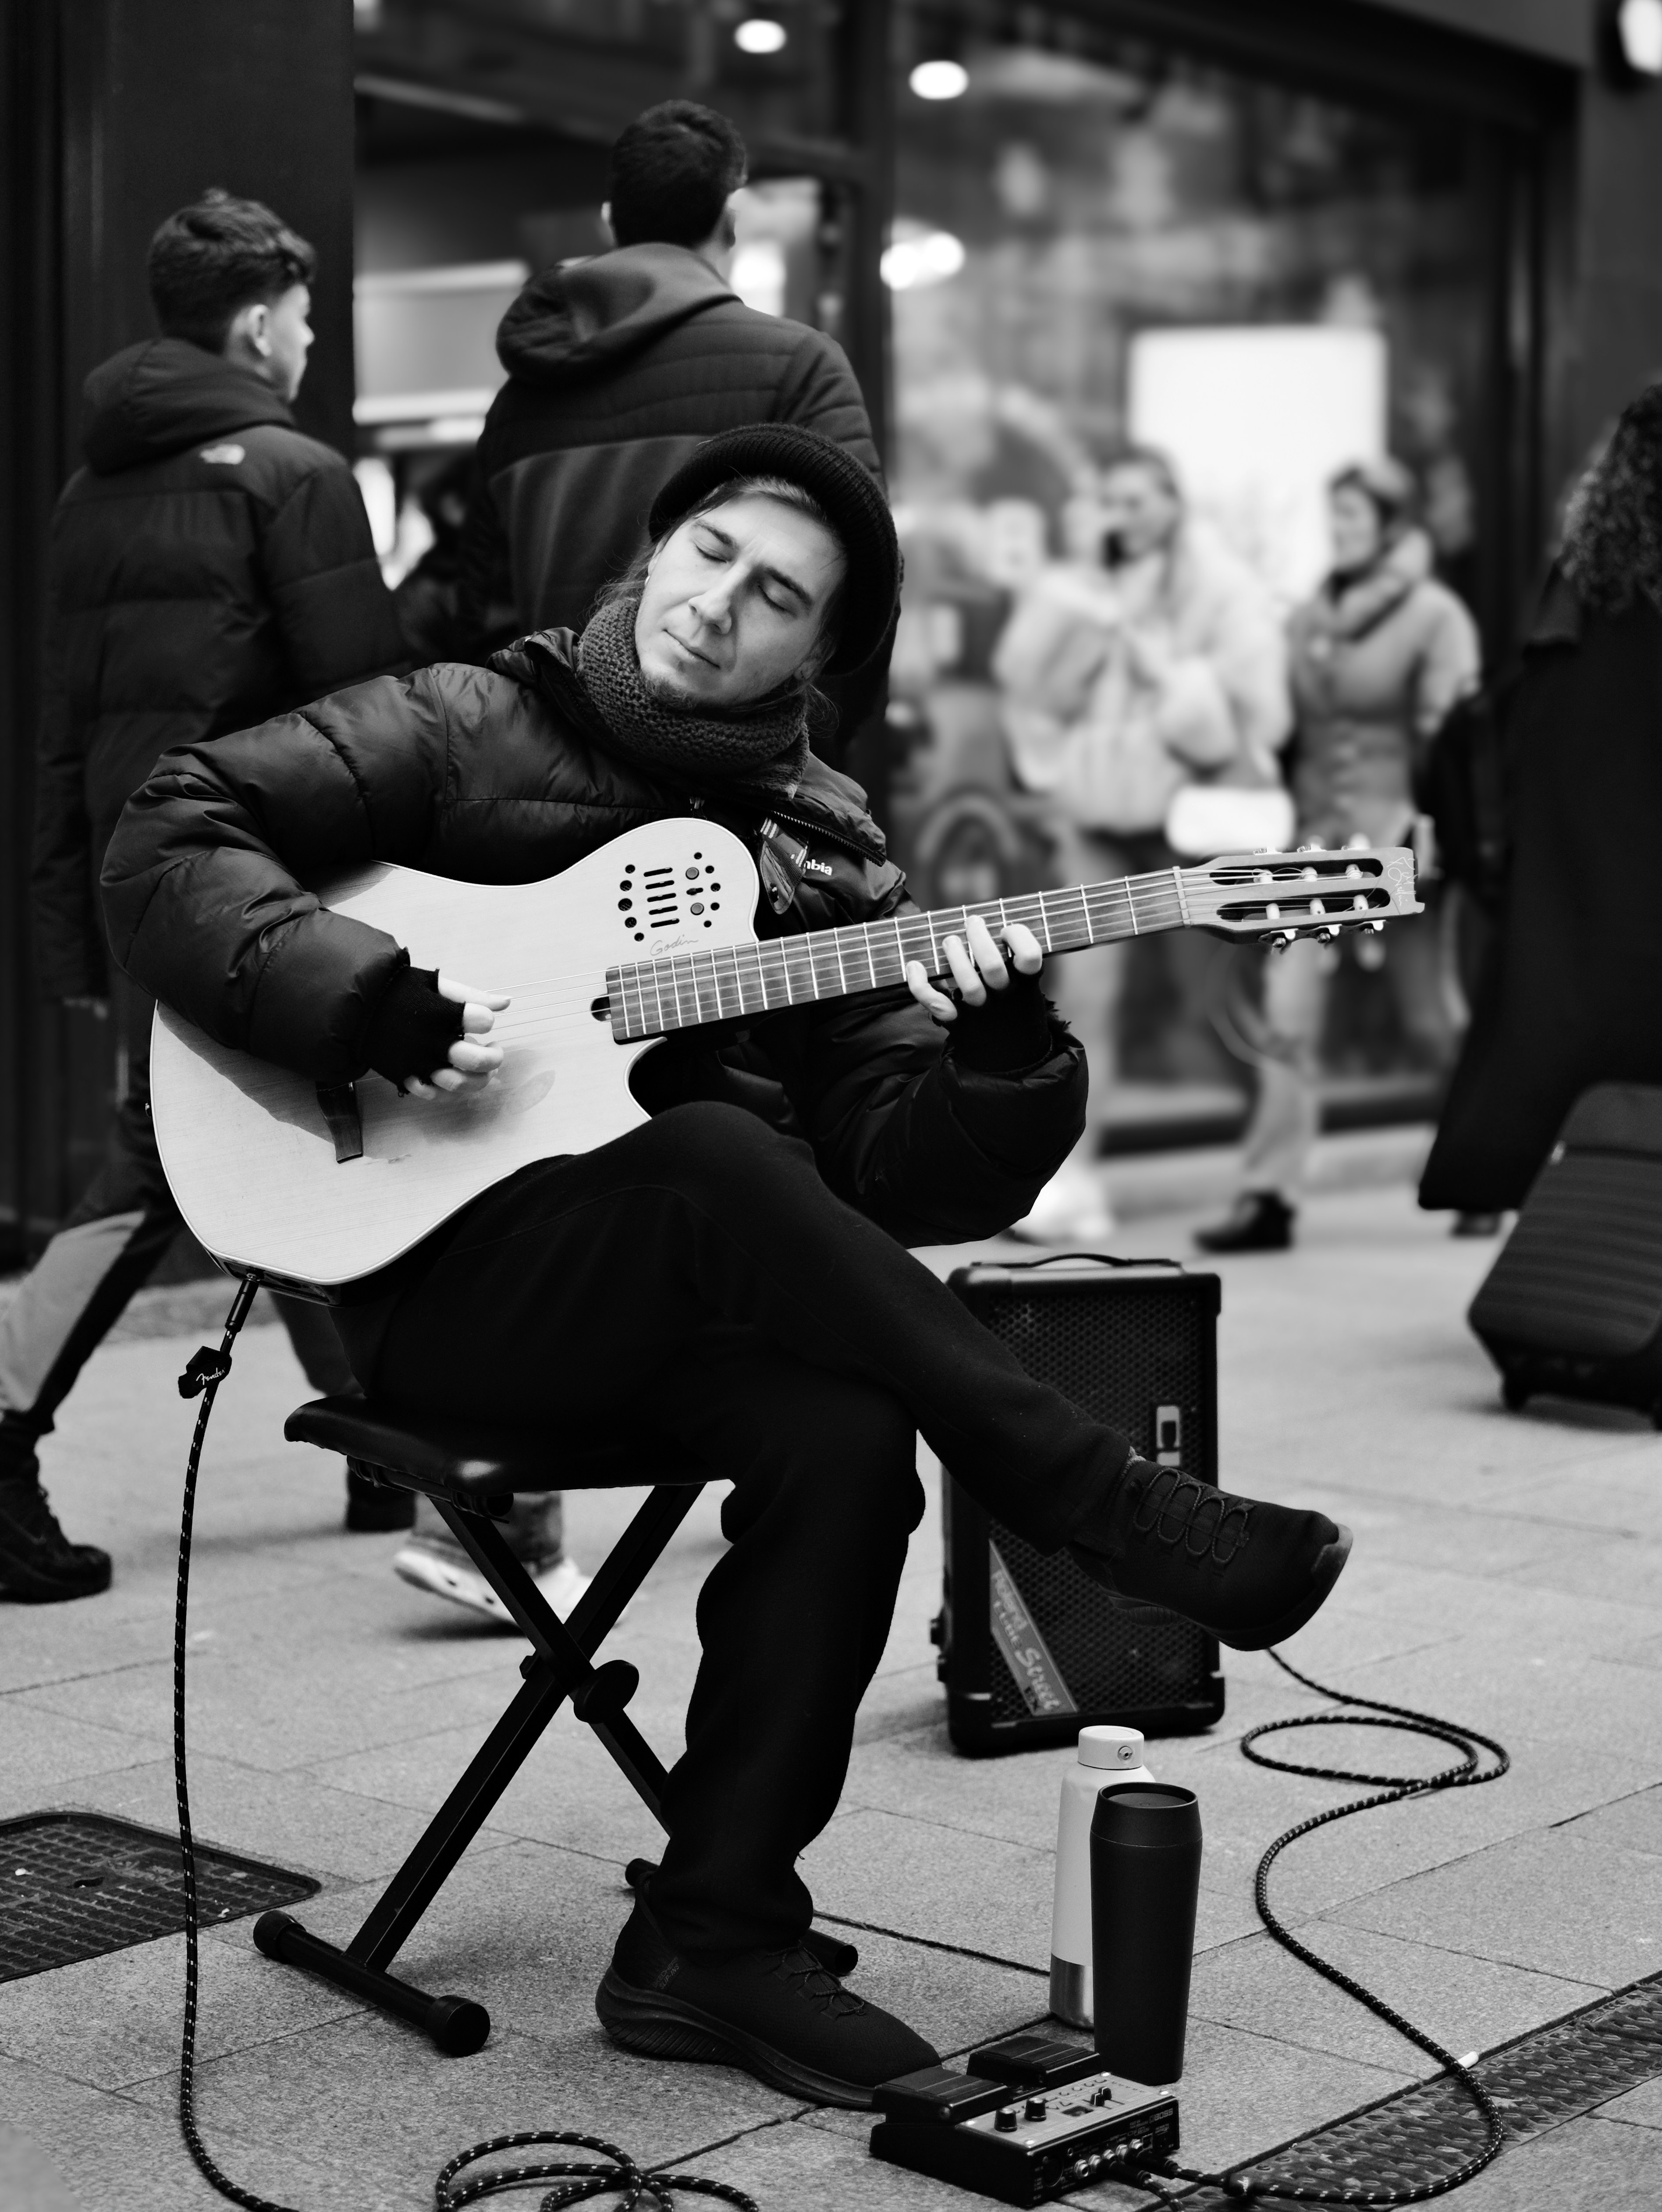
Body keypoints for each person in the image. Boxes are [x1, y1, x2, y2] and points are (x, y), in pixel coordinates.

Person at [102, 423, 1352, 2108]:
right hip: (431, 1287)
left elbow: (884, 1167)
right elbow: (171, 824)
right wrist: (355, 987)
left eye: (778, 596)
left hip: (662, 1287)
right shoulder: (475, 717)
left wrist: (1003, 1044)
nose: (720, 606)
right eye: (708, 555)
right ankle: (1097, 1499)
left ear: (820, 653)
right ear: (653, 549)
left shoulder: (822, 846)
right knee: (707, 1152)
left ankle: (716, 1934)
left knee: (839, 1427)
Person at [0, 190, 420, 1603]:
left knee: (294, 1137)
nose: (309, 340)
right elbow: (368, 715)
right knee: (167, 1167)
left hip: (144, 877)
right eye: (303, 316)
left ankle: (390, 1452)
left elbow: (65, 728)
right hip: (257, 879)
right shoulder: (292, 471)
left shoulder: (91, 487)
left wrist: (72, 920)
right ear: (259, 320)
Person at [412, 98, 884, 734]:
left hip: (551, 770)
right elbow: (856, 602)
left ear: (610, 222)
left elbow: (484, 619)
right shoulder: (797, 366)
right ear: (730, 220)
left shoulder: (522, 399)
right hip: (723, 788)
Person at [994, 445, 1289, 1241]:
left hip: (1189, 828)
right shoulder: (1091, 586)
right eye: (1110, 502)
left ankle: (1272, 1177)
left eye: (1137, 500)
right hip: (1098, 824)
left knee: (1216, 1009)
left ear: (1172, 501)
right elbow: (1032, 688)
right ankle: (1074, 1185)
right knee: (1086, 1001)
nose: (1122, 518)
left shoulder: (1221, 590)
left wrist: (1169, 674)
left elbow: (1257, 723)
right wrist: (1075, 607)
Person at [1199, 458, 1479, 1253]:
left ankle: (1484, 1165)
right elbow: (1284, 731)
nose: (1343, 531)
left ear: (1393, 524)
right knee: (1288, 1018)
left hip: (1401, 843)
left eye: (1356, 517)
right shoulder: (1307, 617)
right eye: (1337, 517)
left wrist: (1433, 833)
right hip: (1315, 849)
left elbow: (1452, 740)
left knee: (1430, 1022)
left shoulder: (1435, 615)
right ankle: (1270, 1196)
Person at [1422, 390, 1662, 1213]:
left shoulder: (1584, 576)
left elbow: (1535, 718)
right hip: (1622, 857)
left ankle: (1593, 1263)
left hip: (1575, 871)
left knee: (1578, 1058)